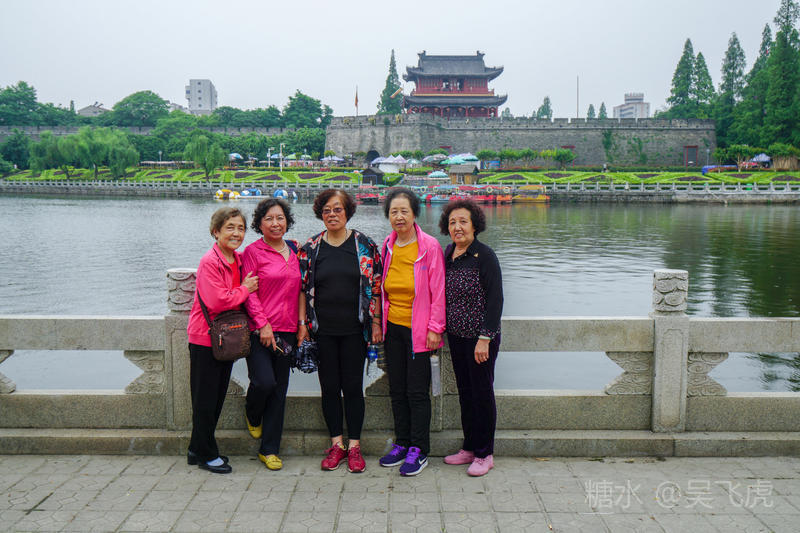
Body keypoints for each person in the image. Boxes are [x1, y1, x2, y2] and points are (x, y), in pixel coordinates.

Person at [298, 189, 382, 473]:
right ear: (320, 214)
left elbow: (376, 287)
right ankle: (337, 445)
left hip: (355, 331)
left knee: (353, 387)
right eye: (326, 210)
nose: (332, 215)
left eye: (337, 209)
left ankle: (355, 446)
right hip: (322, 331)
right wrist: (302, 325)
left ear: (347, 212)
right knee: (329, 387)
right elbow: (302, 289)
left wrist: (376, 322)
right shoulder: (311, 248)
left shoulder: (364, 245)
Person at [378, 187, 445, 476]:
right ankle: (402, 443)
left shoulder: (429, 246)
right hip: (393, 329)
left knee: (417, 392)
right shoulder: (388, 245)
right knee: (397, 390)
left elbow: (438, 292)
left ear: (415, 213)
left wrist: (435, 328)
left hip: (420, 332)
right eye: (394, 212)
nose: (399, 217)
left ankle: (419, 449)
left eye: (404, 211)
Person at [186, 207, 258, 474]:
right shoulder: (210, 261)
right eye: (230, 227)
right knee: (205, 400)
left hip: (224, 339)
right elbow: (217, 301)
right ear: (216, 231)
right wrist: (245, 289)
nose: (236, 233)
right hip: (205, 338)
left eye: (241, 228)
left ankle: (196, 449)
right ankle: (206, 454)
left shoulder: (237, 259)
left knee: (215, 398)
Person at [439, 199, 503, 477]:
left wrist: (485, 337)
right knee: (465, 393)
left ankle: (484, 453)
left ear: (474, 225)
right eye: (452, 222)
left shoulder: (484, 255)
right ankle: (468, 447)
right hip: (456, 337)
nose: (458, 227)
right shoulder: (449, 253)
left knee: (482, 394)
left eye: (463, 221)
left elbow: (496, 300)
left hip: (480, 339)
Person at [241, 198, 303, 471]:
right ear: (260, 224)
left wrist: (301, 324)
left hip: (288, 330)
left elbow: (301, 290)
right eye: (269, 219)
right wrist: (262, 324)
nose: (276, 223)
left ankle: (269, 450)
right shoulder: (253, 252)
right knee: (263, 382)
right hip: (259, 331)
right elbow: (249, 292)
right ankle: (252, 412)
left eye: (280, 218)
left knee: (279, 391)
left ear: (287, 221)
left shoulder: (296, 250)